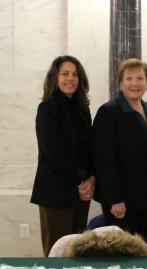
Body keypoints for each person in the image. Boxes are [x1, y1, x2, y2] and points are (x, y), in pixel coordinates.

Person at [31, 55, 95, 257]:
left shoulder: (83, 109)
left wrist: (90, 180)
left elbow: (89, 149)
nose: (71, 78)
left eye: (75, 74)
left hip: (81, 193)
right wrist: (80, 181)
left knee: (77, 252)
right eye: (65, 74)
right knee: (57, 253)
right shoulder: (46, 109)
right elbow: (54, 154)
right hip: (56, 193)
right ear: (55, 78)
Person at [93, 58, 147, 243]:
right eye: (129, 78)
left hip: (146, 200)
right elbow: (104, 160)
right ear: (121, 82)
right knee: (123, 253)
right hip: (121, 202)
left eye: (140, 78)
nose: (135, 83)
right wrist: (115, 199)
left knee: (143, 249)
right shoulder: (108, 112)